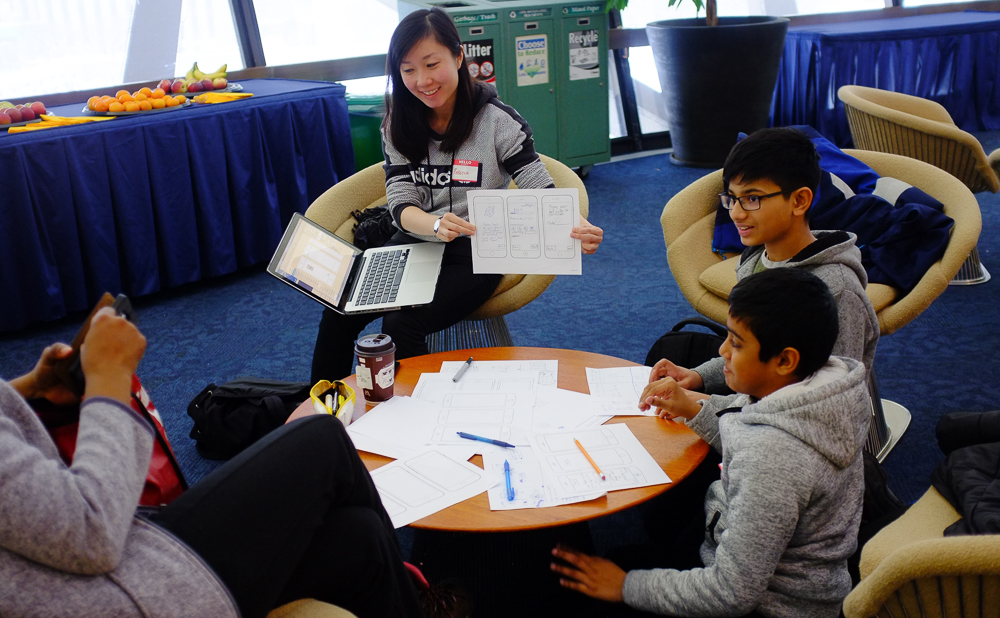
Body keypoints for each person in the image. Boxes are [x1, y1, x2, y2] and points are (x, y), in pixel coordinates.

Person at [0, 308, 460, 618]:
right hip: (122, 590)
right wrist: (108, 380)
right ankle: (419, 594)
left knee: (359, 534)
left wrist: (26, 389)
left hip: (129, 559)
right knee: (321, 438)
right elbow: (90, 531)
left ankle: (413, 598)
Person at [551, 268, 871, 617]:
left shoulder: (772, 459)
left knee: (602, 583)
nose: (722, 350)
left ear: (784, 360)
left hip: (771, 606)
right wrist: (694, 408)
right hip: (773, 566)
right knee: (644, 540)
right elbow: (744, 421)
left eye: (736, 343)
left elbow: (732, 593)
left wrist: (625, 586)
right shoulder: (819, 391)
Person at [310, 7, 604, 383]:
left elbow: (537, 184)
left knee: (402, 323)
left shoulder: (498, 121)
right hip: (416, 238)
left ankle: (419, 410)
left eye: (432, 64)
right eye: (408, 70)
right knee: (337, 311)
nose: (423, 81)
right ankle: (324, 409)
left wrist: (575, 224)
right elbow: (400, 200)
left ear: (459, 55)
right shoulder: (397, 122)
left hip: (476, 250)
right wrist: (433, 225)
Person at [645, 127, 878, 399]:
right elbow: (755, 354)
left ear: (799, 200)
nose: (736, 213)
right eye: (732, 198)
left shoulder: (838, 290)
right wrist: (698, 377)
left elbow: (832, 400)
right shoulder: (755, 260)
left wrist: (704, 407)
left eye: (752, 199)